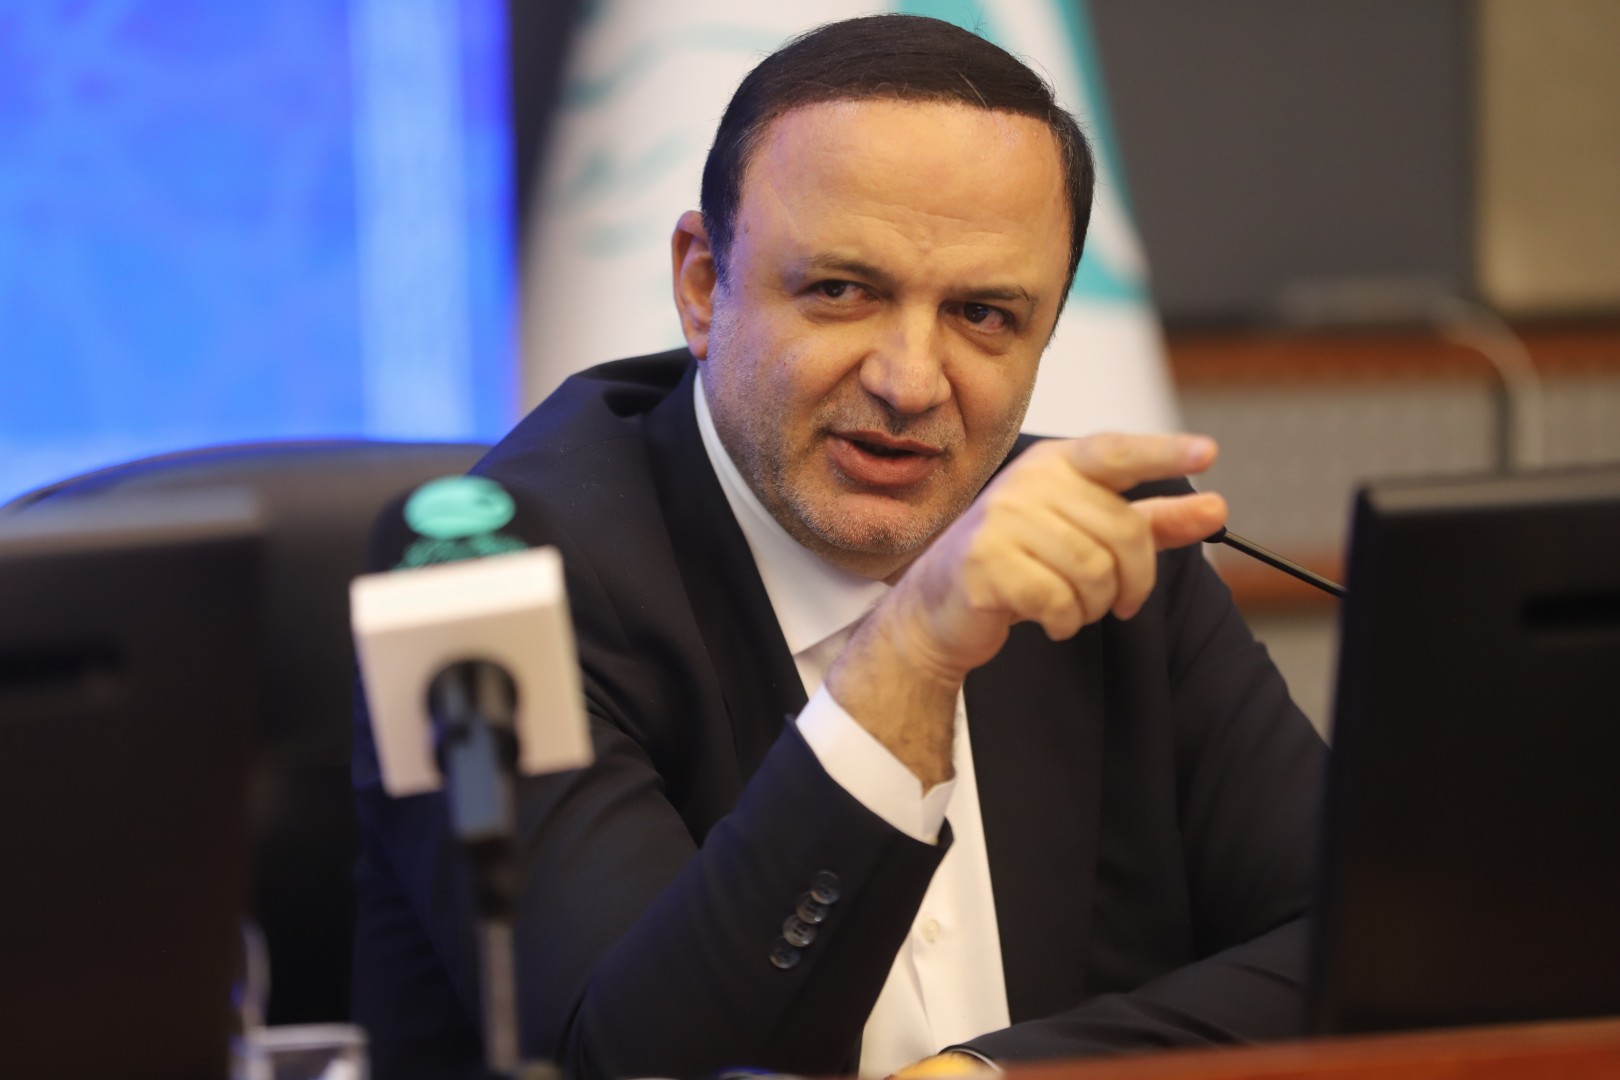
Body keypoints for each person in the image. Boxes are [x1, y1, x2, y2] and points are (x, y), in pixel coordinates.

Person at [352, 15, 1326, 1080]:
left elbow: (1356, 947)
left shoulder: (1108, 551)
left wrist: (988, 1075)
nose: (909, 381)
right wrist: (908, 660)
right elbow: (635, 1062)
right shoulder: (500, 589)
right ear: (702, 284)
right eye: (841, 291)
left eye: (983, 314)